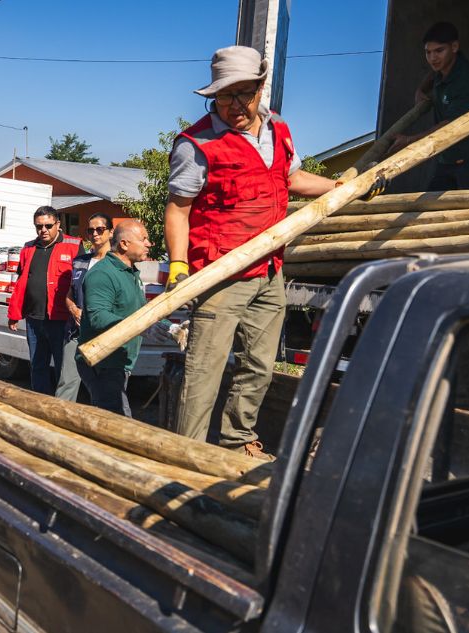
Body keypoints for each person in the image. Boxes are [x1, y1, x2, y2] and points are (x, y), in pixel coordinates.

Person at [164, 45, 384, 459]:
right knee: (204, 371)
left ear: (261, 89)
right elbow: (178, 210)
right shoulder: (196, 144)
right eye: (223, 97)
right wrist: (178, 265)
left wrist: (344, 189)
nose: (234, 106)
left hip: (269, 269)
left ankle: (236, 440)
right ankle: (184, 455)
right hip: (220, 275)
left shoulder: (278, 129)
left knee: (260, 366)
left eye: (243, 94)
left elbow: (294, 178)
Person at [390, 22, 469, 190]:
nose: (432, 58)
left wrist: (409, 140)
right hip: (447, 157)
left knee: (467, 211)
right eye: (428, 52)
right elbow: (432, 74)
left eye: (439, 51)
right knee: (432, 207)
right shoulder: (442, 69)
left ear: (454, 47)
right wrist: (420, 89)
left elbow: (450, 126)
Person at [76, 220, 153, 415]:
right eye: (143, 239)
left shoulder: (131, 273)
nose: (149, 243)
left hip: (119, 361)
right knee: (118, 421)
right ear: (124, 244)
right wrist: (137, 327)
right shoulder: (102, 274)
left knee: (108, 419)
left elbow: (142, 311)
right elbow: (97, 317)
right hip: (102, 362)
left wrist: (169, 328)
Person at [7, 206, 82, 394]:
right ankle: (40, 403)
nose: (43, 230)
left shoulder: (74, 246)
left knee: (63, 369)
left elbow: (82, 282)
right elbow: (22, 281)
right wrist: (14, 313)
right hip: (34, 319)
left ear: (58, 224)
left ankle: (60, 408)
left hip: (61, 321)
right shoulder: (28, 248)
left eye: (48, 225)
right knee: (38, 365)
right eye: (39, 226)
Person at [55, 213, 113, 401]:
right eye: (90, 230)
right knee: (67, 382)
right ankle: (56, 425)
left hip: (103, 334)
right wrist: (73, 309)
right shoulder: (80, 261)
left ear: (111, 232)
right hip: (76, 332)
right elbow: (70, 293)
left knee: (101, 386)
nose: (95, 234)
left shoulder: (116, 263)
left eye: (100, 229)